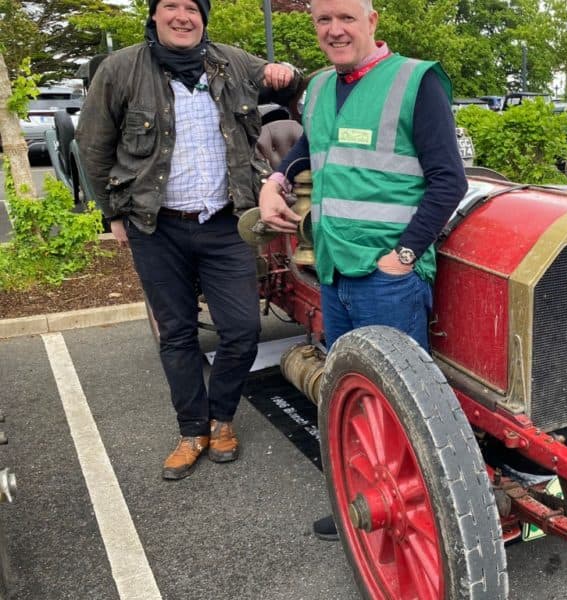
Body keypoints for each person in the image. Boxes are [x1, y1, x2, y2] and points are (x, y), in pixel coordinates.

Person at [257, 0, 467, 540]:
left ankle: (418, 523)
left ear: (372, 22)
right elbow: (311, 147)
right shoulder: (322, 87)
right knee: (349, 393)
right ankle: (361, 500)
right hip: (333, 268)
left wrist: (401, 257)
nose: (334, 29)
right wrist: (276, 181)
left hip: (385, 278)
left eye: (346, 17)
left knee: (399, 407)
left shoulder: (415, 81)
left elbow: (449, 181)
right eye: (323, 20)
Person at [76, 0, 300, 481]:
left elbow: (285, 79)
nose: (182, 16)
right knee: (177, 333)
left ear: (203, 17)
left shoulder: (232, 61)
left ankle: (222, 419)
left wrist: (288, 71)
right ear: (154, 15)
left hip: (225, 222)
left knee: (242, 330)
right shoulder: (120, 69)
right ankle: (192, 430)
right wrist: (112, 213)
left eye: (191, 8)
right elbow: (92, 144)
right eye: (170, 6)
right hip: (155, 225)